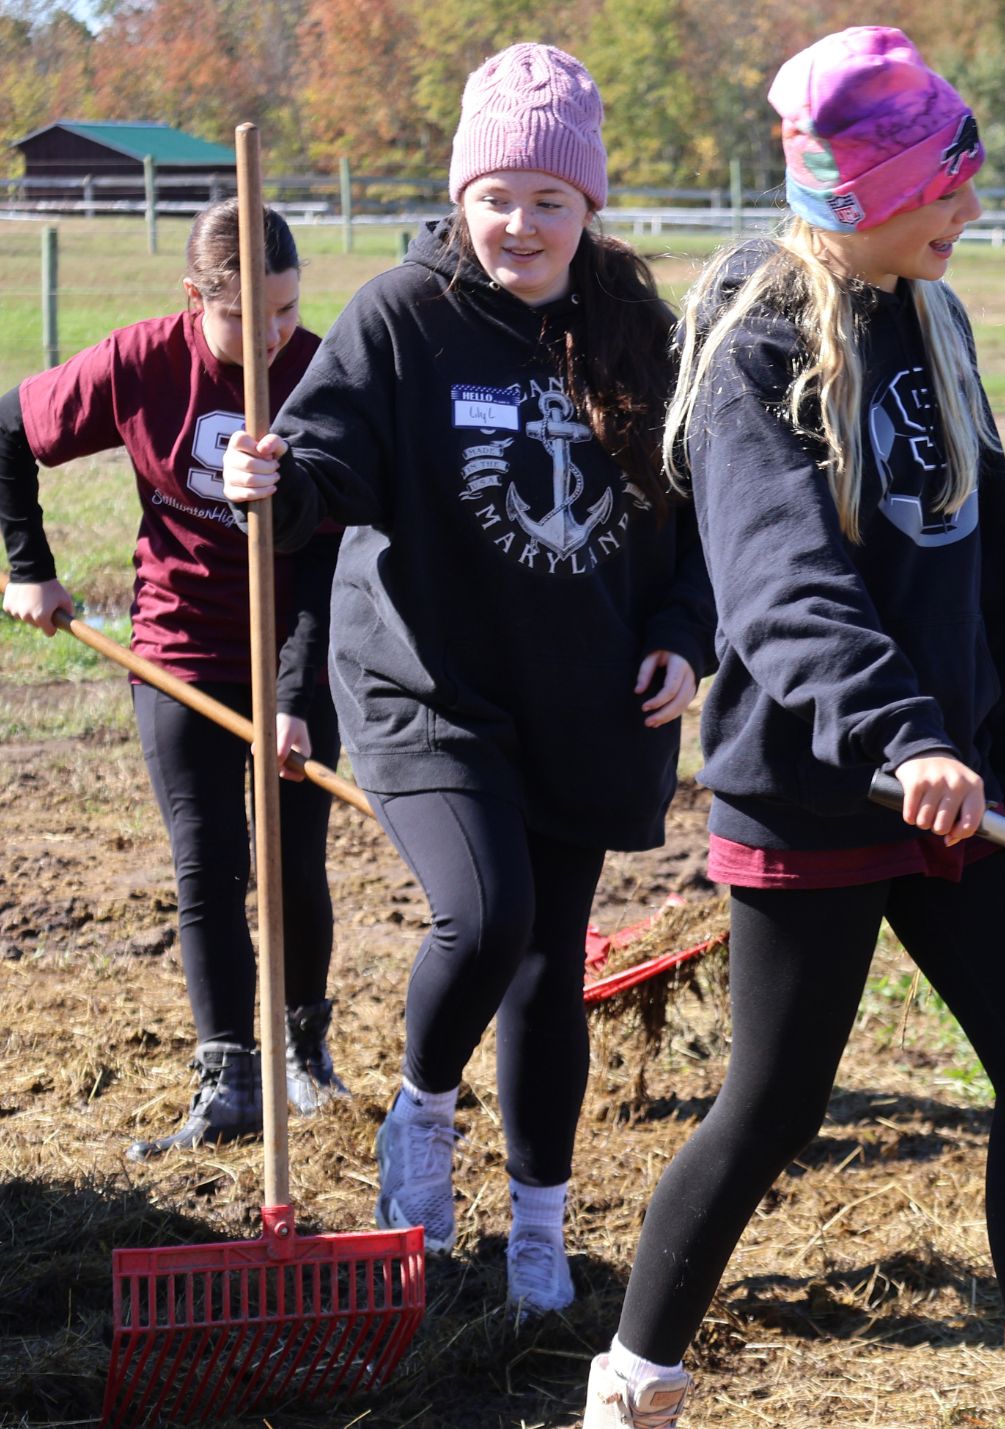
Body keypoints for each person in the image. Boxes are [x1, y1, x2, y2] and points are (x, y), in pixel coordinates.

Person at [582, 29, 1005, 1429]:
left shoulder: (933, 319)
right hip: (822, 787)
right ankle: (630, 1385)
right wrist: (900, 735)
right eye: (944, 186)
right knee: (774, 1106)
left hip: (951, 785)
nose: (970, 209)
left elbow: (987, 558)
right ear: (862, 194)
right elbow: (778, 582)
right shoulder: (756, 341)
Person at [221, 43, 710, 1316]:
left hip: (585, 694)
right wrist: (270, 483)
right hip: (427, 682)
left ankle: (537, 1230)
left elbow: (698, 515)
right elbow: (322, 465)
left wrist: (684, 629)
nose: (520, 225)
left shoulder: (638, 332)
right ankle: (423, 1116)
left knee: (549, 964)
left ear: (588, 204)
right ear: (460, 198)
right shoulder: (404, 316)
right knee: (486, 917)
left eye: (549, 199)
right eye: (495, 197)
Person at [0, 201, 347, 1159]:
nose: (272, 334)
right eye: (246, 316)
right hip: (178, 647)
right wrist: (30, 567)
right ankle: (228, 1075)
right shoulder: (141, 361)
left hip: (301, 647)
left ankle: (304, 1053)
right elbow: (9, 429)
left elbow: (330, 562)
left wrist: (294, 698)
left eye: (287, 308)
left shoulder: (323, 374)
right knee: (209, 862)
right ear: (195, 296)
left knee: (295, 861)